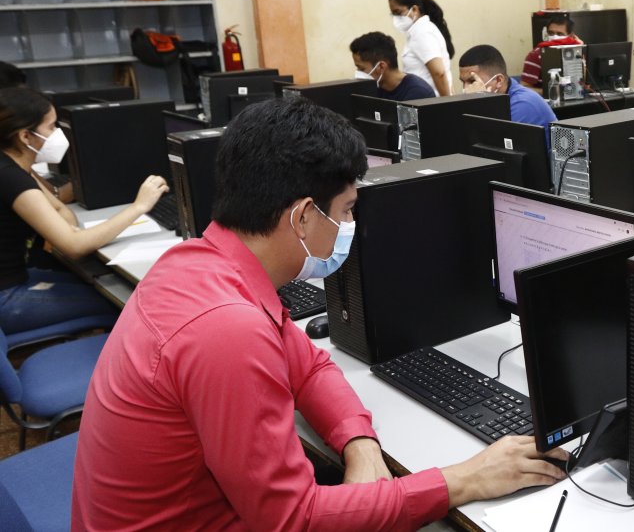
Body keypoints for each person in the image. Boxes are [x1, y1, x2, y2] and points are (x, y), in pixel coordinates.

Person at [72, 97, 569, 529]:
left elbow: (309, 365)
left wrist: (359, 442)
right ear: (304, 216)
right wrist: (465, 479)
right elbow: (293, 520)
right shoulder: (226, 327)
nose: (350, 224)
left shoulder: (202, 263)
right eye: (348, 210)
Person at [0, 87, 167, 339]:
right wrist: (139, 206)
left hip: (15, 281)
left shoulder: (13, 165)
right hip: (8, 298)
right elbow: (74, 246)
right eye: (51, 127)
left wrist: (68, 230)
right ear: (25, 136)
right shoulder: (11, 177)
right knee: (119, 303)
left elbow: (57, 207)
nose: (57, 134)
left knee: (100, 287)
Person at [460, 45, 558, 137]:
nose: (466, 89)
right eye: (463, 82)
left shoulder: (523, 103)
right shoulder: (498, 99)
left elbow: (494, 140)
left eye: (473, 81)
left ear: (498, 80)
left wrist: (478, 103)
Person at [388, 0, 454, 97]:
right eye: (393, 14)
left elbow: (439, 73)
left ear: (414, 9)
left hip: (432, 102)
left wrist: (446, 105)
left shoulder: (422, 32)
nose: (396, 18)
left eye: (398, 13)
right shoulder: (416, 32)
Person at [349, 31, 436, 102]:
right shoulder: (372, 88)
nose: (358, 73)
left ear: (381, 67)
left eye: (361, 68)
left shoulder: (418, 93)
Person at [520, 13, 585, 91]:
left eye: (559, 34)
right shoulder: (535, 55)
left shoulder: (578, 52)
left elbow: (585, 81)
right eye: (551, 33)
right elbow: (525, 88)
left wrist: (581, 49)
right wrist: (550, 94)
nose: (554, 37)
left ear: (571, 36)